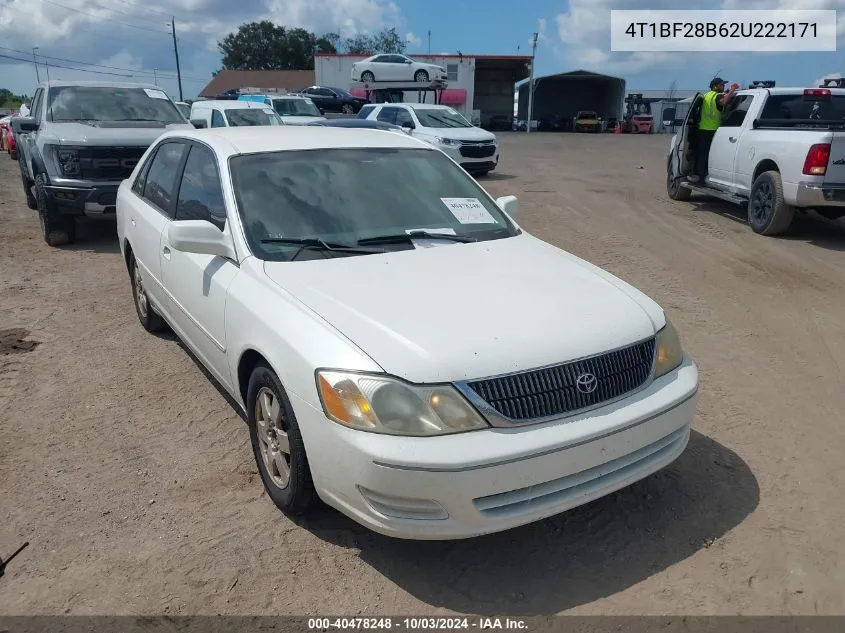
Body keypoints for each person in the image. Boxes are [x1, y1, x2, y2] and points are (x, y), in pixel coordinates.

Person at [690, 77, 736, 183]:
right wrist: (732, 90)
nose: (723, 86)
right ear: (715, 86)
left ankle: (699, 176)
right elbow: (724, 102)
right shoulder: (717, 96)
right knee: (712, 155)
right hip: (713, 130)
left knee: (702, 154)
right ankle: (705, 177)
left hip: (702, 129)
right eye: (722, 85)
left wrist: (727, 93)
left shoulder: (706, 95)